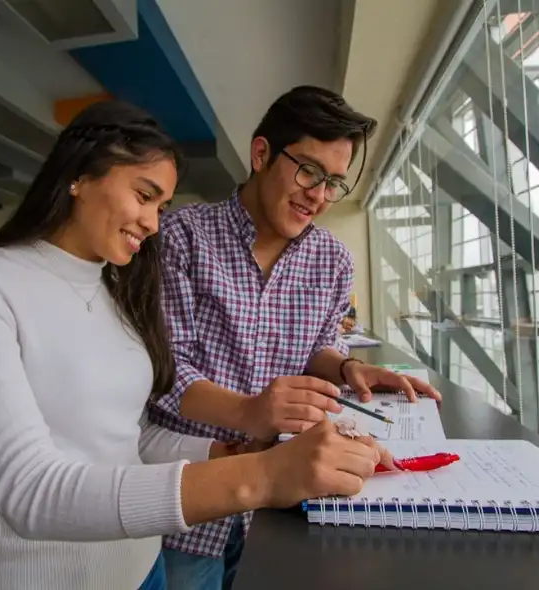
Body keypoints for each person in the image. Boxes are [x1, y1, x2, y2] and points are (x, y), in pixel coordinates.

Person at [0, 100, 394, 590]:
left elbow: (131, 436)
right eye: (144, 196)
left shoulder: (117, 288)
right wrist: (261, 473)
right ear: (79, 176)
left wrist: (224, 451)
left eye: (161, 206)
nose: (152, 224)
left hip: (145, 566)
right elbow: (29, 493)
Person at [148, 85, 442, 589]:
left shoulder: (333, 261)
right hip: (190, 496)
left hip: (281, 503)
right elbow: (164, 372)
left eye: (333, 182)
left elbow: (316, 348)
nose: (319, 195)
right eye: (309, 171)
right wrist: (249, 412)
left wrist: (348, 368)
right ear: (261, 154)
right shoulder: (181, 237)